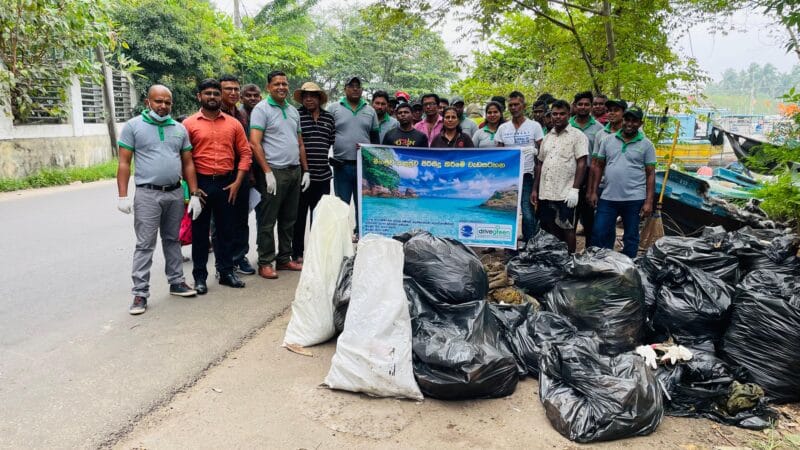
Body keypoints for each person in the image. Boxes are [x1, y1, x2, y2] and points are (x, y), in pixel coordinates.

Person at [117, 85, 201, 315]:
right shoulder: (133, 126)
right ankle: (140, 293)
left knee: (172, 239)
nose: (163, 106)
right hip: (148, 193)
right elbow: (124, 162)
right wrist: (122, 195)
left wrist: (194, 194)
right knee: (145, 244)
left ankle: (177, 282)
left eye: (167, 102)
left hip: (174, 193)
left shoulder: (179, 129)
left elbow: (188, 163)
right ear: (148, 102)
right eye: (158, 101)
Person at [183, 78, 252, 293]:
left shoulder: (233, 124)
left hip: (227, 184)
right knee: (200, 233)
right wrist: (193, 190)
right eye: (207, 93)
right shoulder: (189, 124)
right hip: (200, 185)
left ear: (220, 96)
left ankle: (226, 272)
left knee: (225, 231)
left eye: (215, 93)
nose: (212, 97)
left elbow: (245, 153)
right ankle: (200, 277)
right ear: (199, 96)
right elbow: (184, 159)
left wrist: (237, 182)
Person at [249, 70, 310, 279]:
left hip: (294, 171)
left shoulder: (293, 111)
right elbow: (255, 143)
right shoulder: (261, 109)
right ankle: (265, 261)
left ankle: (284, 258)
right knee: (268, 220)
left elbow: (300, 143)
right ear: (268, 87)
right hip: (274, 171)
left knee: (289, 219)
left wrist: (306, 170)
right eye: (277, 84)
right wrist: (267, 172)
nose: (281, 87)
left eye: (284, 84)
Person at [588, 106, 656, 258]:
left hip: (634, 198)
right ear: (622, 120)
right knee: (599, 231)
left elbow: (651, 173)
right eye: (627, 120)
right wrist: (593, 191)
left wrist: (649, 202)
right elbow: (599, 166)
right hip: (608, 196)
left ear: (640, 123)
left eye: (634, 121)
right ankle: (601, 262)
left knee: (631, 236)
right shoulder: (607, 140)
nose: (629, 124)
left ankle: (628, 265)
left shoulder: (647, 144)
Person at [531, 99, 589, 253]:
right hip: (546, 191)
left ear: (569, 115)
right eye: (555, 114)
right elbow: (540, 163)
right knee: (551, 226)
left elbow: (582, 163)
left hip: (566, 192)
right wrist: (535, 189)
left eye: (562, 114)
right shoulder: (547, 137)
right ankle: (557, 257)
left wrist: (575, 189)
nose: (558, 117)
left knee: (568, 228)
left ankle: (570, 258)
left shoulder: (578, 136)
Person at [327, 76, 379, 239]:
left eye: (358, 86)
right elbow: (327, 134)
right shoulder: (334, 108)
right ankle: (341, 235)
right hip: (341, 165)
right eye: (351, 86)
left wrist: (372, 157)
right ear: (345, 89)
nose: (355, 88)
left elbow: (375, 138)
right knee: (341, 203)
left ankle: (360, 232)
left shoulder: (370, 110)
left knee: (362, 202)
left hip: (364, 166)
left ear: (362, 90)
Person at [292, 81, 335, 263]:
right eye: (305, 96)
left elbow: (331, 142)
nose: (309, 99)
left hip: (323, 176)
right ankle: (297, 253)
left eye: (312, 96)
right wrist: (304, 170)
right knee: (299, 216)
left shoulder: (329, 118)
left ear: (319, 98)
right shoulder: (296, 116)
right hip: (302, 176)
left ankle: (316, 253)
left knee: (319, 218)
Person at [219, 74, 255, 276]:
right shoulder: (215, 113)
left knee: (241, 219)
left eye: (235, 89)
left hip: (243, 173)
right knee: (222, 222)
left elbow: (247, 147)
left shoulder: (241, 114)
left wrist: (251, 175)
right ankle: (224, 263)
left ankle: (240, 257)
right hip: (222, 174)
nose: (232, 93)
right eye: (228, 89)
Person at [496, 91, 544, 245]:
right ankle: (508, 246)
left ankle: (529, 247)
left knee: (528, 213)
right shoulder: (503, 128)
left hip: (527, 175)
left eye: (516, 104)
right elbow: (498, 154)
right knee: (507, 211)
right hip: (508, 176)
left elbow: (543, 151)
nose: (513, 108)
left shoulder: (534, 126)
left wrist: (536, 151)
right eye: (510, 105)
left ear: (524, 105)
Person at [570, 90, 605, 245]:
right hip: (569, 175)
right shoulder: (567, 125)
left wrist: (593, 188)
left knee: (589, 217)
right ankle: (568, 252)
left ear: (591, 106)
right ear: (575, 106)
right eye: (580, 104)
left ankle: (590, 251)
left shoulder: (599, 129)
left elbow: (598, 159)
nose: (583, 107)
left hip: (589, 176)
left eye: (586, 104)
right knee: (569, 218)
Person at [586, 98, 627, 197]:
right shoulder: (601, 134)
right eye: (609, 110)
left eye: (616, 110)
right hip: (603, 185)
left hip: (627, 187)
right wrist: (591, 190)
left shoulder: (634, 134)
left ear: (624, 113)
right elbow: (594, 163)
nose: (611, 113)